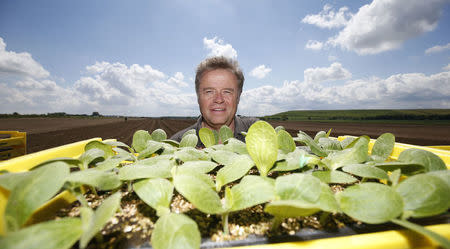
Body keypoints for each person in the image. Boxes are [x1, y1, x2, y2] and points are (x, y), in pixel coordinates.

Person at [170, 56, 258, 147]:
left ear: (238, 97)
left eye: (227, 92)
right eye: (209, 92)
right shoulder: (176, 146)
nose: (219, 99)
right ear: (198, 97)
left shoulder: (259, 132)